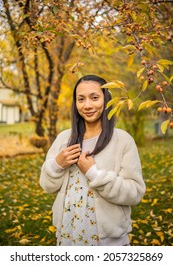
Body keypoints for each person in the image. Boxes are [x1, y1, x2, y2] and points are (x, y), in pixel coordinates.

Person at [40, 74, 146, 246]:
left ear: (106, 100)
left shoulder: (122, 140)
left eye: (94, 98)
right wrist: (57, 164)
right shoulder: (64, 139)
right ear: (75, 104)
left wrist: (94, 174)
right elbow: (47, 186)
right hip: (68, 236)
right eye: (81, 99)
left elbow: (134, 193)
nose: (87, 105)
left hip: (107, 241)